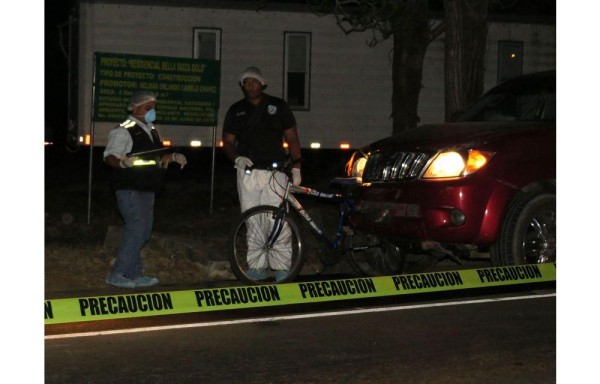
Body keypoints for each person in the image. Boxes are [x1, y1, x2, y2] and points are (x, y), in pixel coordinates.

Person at [222, 66, 302, 281]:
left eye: (254, 81)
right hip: (247, 173)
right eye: (246, 82)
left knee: (278, 220)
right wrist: (236, 158)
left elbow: (292, 138)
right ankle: (256, 266)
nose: (250, 85)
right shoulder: (236, 109)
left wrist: (296, 166)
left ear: (262, 83)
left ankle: (281, 267)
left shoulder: (278, 106)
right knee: (251, 219)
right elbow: (227, 141)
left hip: (275, 173)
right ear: (242, 85)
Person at [103, 90, 187, 288]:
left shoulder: (151, 130)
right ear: (134, 108)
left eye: (154, 108)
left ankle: (132, 275)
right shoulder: (124, 129)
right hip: (130, 188)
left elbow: (157, 159)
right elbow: (109, 156)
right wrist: (122, 164)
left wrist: (173, 157)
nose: (152, 112)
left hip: (148, 189)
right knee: (137, 229)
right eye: (148, 108)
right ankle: (117, 274)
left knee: (143, 232)